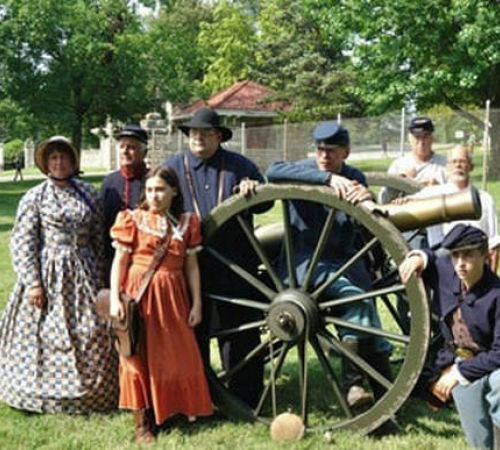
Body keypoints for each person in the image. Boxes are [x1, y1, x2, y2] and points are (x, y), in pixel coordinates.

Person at [266, 121, 392, 408]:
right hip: (303, 263)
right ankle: (354, 383)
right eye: (320, 150)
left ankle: (385, 390)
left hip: (342, 261)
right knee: (356, 301)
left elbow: (363, 218)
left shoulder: (354, 176)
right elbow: (273, 171)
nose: (324, 156)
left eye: (332, 151)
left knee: (368, 307)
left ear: (346, 152)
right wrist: (326, 180)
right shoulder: (304, 170)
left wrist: (367, 197)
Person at [0, 136, 118, 414]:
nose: (59, 163)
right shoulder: (35, 196)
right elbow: (23, 241)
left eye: (63, 157)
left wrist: (101, 277)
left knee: (90, 330)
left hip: (85, 271)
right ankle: (40, 393)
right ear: (46, 164)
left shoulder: (88, 193)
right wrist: (33, 283)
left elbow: (99, 238)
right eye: (53, 158)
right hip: (49, 273)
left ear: (72, 161)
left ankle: (94, 393)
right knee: (47, 331)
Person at [164, 107, 269, 407]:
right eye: (194, 133)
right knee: (193, 331)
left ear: (219, 137)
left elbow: (265, 204)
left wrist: (254, 189)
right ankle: (199, 396)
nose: (199, 138)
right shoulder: (173, 168)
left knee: (240, 330)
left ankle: (244, 394)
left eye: (206, 133)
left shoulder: (240, 165)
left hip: (237, 262)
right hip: (191, 263)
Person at [109, 166, 212, 443]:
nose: (154, 195)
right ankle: (142, 422)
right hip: (140, 296)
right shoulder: (132, 219)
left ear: (174, 191)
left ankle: (171, 410)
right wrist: (117, 299)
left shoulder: (187, 223)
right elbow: (120, 261)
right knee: (137, 356)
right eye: (151, 190)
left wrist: (197, 303)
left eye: (161, 189)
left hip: (174, 298)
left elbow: (191, 267)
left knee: (175, 355)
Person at [399, 225, 500, 449]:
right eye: (455, 255)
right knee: (478, 438)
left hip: (491, 365)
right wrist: (419, 257)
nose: (460, 264)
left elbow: (498, 353)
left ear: (485, 256)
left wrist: (457, 373)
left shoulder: (496, 295)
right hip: (460, 359)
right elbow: (433, 256)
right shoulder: (448, 270)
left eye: (468, 255)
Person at [396, 145, 500, 270]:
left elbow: (493, 245)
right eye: (454, 162)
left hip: (475, 266)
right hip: (443, 264)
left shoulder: (485, 199)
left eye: (462, 161)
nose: (458, 166)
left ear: (471, 167)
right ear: (447, 167)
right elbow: (409, 204)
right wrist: (402, 203)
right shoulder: (431, 194)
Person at [101, 124, 149, 284]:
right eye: (122, 146)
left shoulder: (152, 181)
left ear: (144, 152)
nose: (125, 151)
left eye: (131, 147)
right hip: (112, 258)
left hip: (143, 261)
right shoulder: (110, 182)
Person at [380, 117, 447, 204]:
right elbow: (383, 200)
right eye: (417, 137)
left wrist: (438, 189)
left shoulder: (445, 164)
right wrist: (398, 182)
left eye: (425, 136)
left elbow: (458, 197)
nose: (421, 142)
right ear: (410, 139)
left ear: (432, 138)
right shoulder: (399, 165)